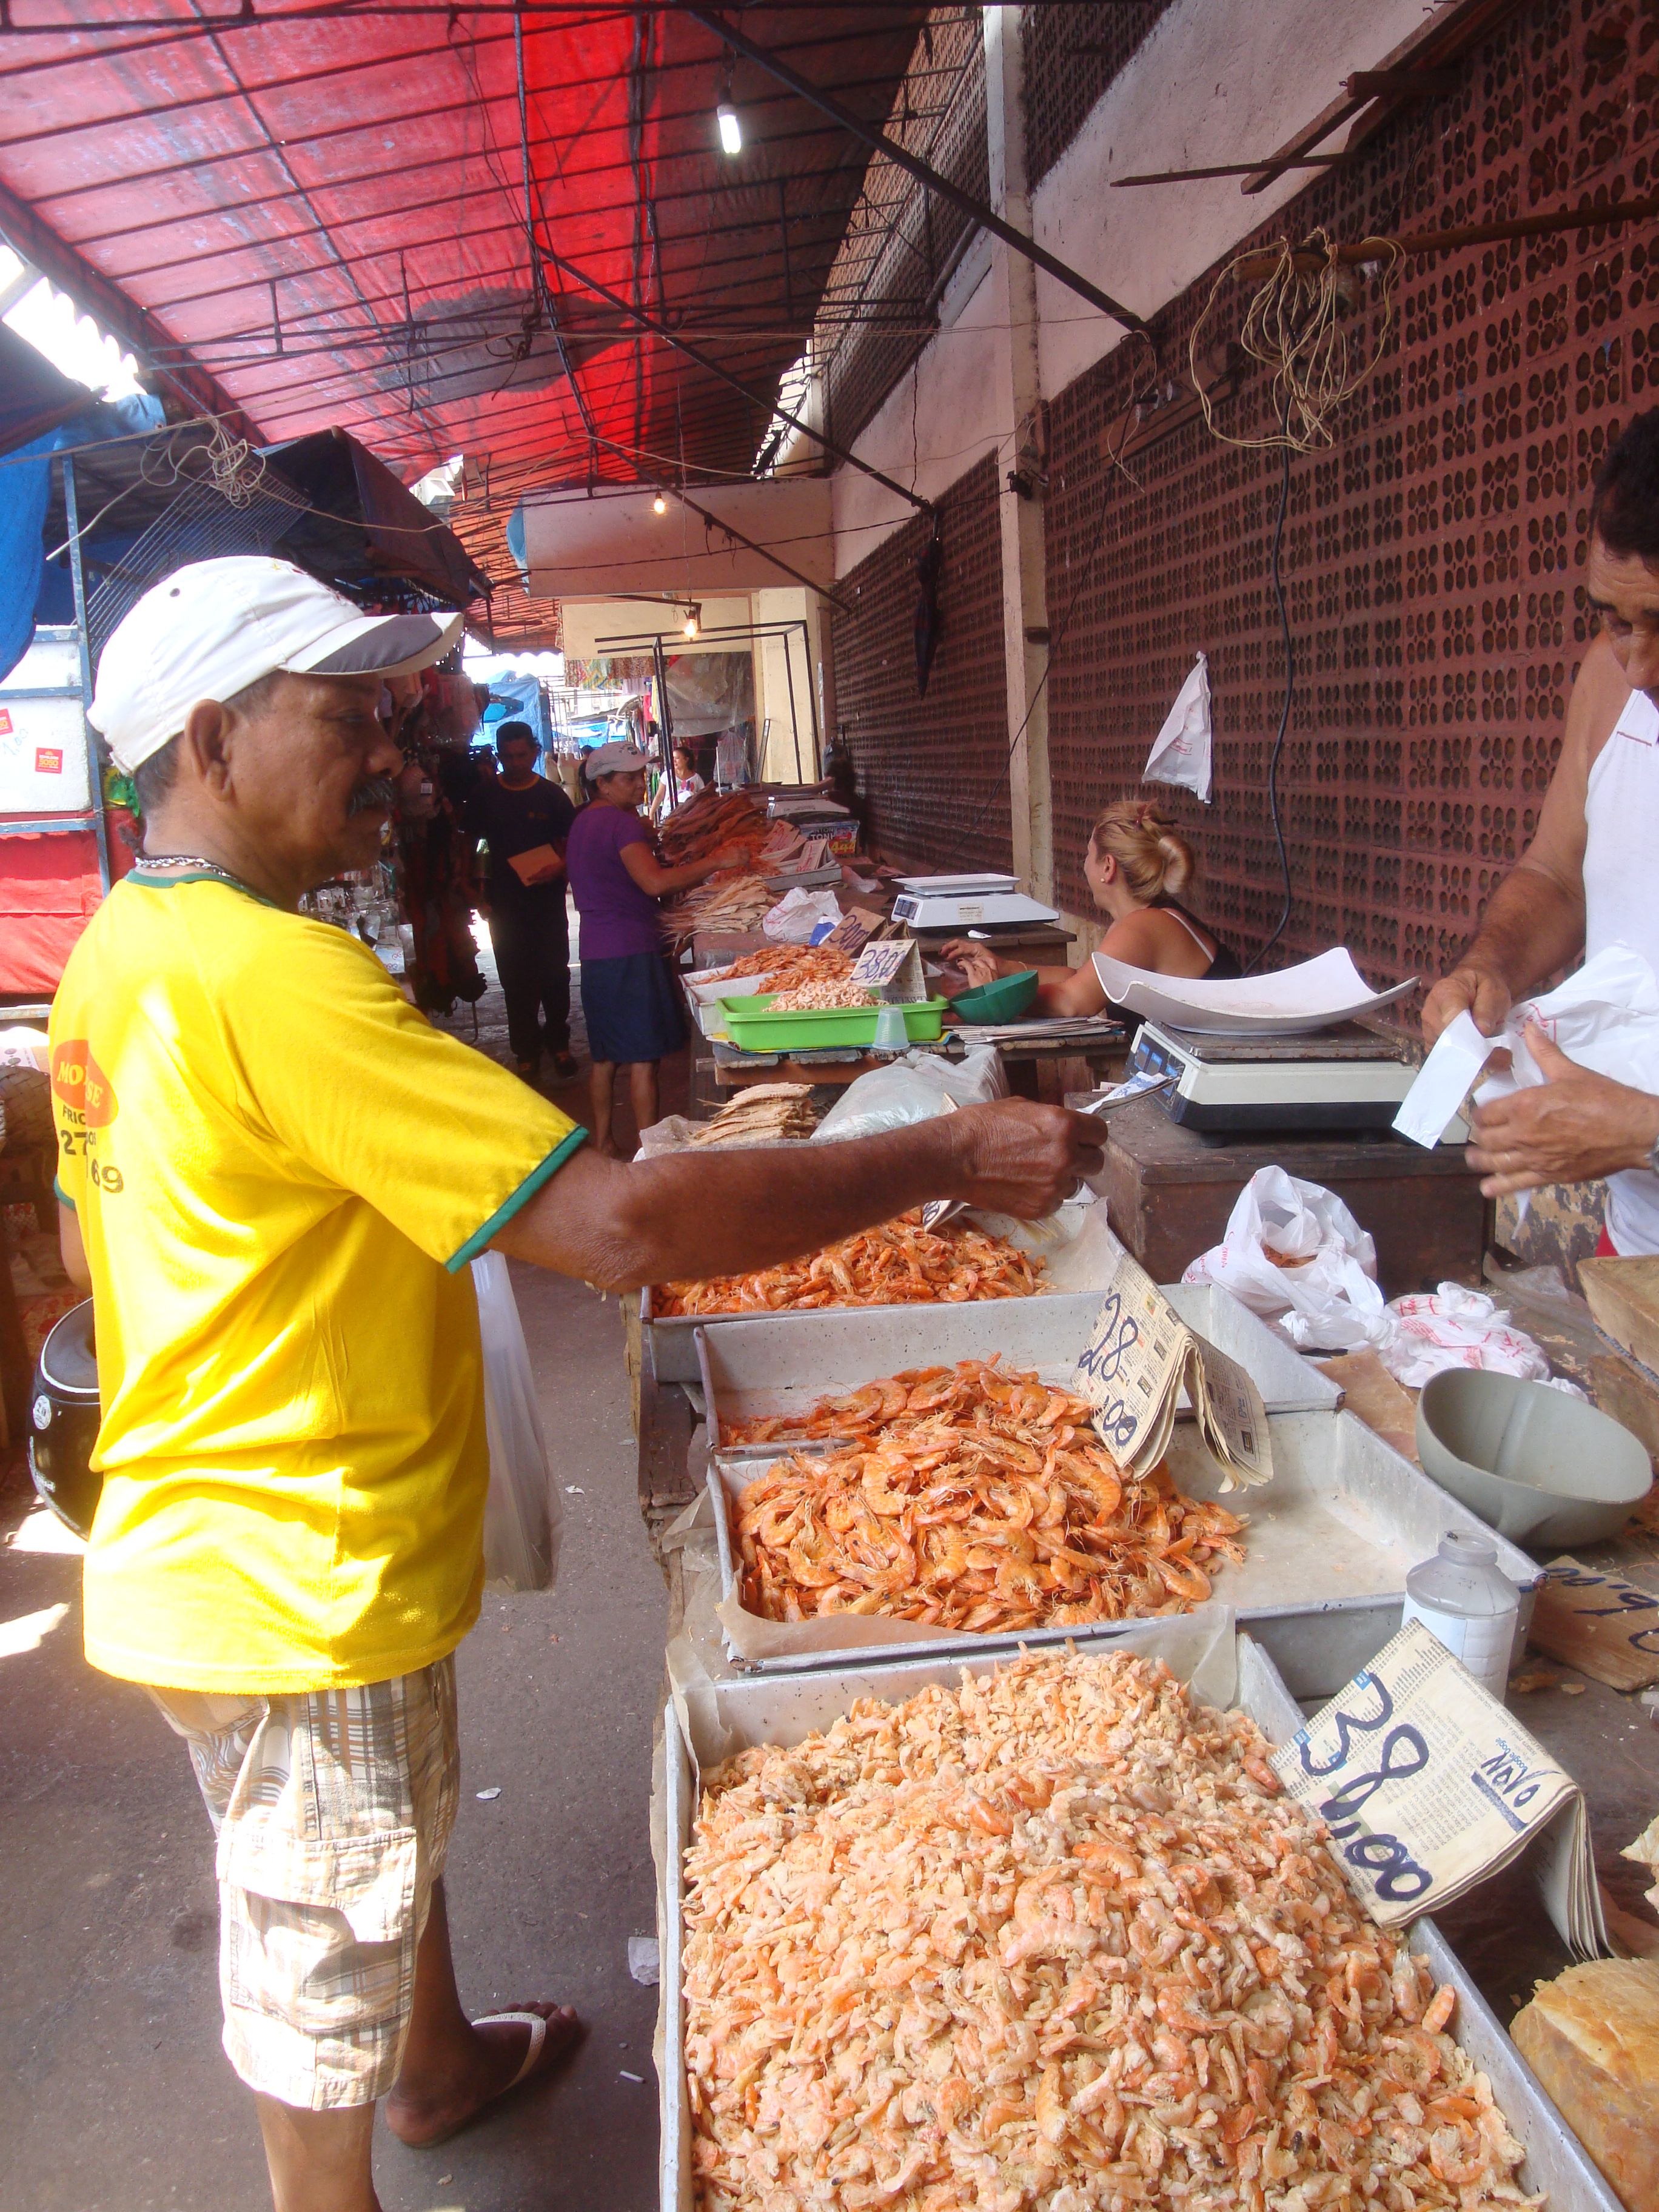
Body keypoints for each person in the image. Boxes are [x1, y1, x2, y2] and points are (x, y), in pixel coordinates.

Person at [56, 556, 1102, 2212]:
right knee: (310, 1938)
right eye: (347, 721)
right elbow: (616, 1227)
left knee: (379, 1827)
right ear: (211, 737)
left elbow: (87, 1215)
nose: (391, 759)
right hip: (291, 1557)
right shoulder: (276, 980)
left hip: (225, 1515)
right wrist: (950, 1150)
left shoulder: (120, 953)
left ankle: (441, 2059)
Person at [1422, 409, 1659, 1252]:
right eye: (1617, 619)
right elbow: (1559, 874)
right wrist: (1488, 964)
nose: (1642, 667)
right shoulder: (1610, 683)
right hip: (1639, 1252)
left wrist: (1647, 1132)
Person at [945, 798, 1239, 1019]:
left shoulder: (1144, 928)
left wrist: (994, 994)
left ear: (1107, 867)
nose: (1084, 863)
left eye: (1089, 854)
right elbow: (1081, 978)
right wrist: (1003, 968)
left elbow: (1071, 1000)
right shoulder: (1147, 921)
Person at [563, 739, 719, 1155]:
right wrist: (718, 862)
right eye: (629, 778)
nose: (639, 785)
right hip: (630, 948)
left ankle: (604, 1140)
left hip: (596, 950)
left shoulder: (582, 823)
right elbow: (655, 883)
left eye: (640, 776)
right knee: (643, 1058)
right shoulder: (622, 824)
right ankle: (652, 1152)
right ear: (604, 783)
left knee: (605, 1057)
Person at [461, 722, 578, 1083]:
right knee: (515, 979)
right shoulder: (483, 797)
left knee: (555, 975)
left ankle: (559, 1043)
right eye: (508, 757)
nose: (515, 763)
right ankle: (525, 1052)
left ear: (533, 751)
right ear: (498, 755)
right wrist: (472, 889)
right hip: (503, 905)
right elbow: (471, 846)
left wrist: (560, 868)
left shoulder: (552, 797)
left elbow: (572, 846)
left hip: (546, 902)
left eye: (522, 756)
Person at [652, 741, 706, 822]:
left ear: (686, 760)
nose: (674, 761)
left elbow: (703, 798)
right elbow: (659, 796)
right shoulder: (667, 775)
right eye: (673, 758)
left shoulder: (696, 778)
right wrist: (652, 813)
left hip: (689, 818)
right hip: (668, 816)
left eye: (677, 758)